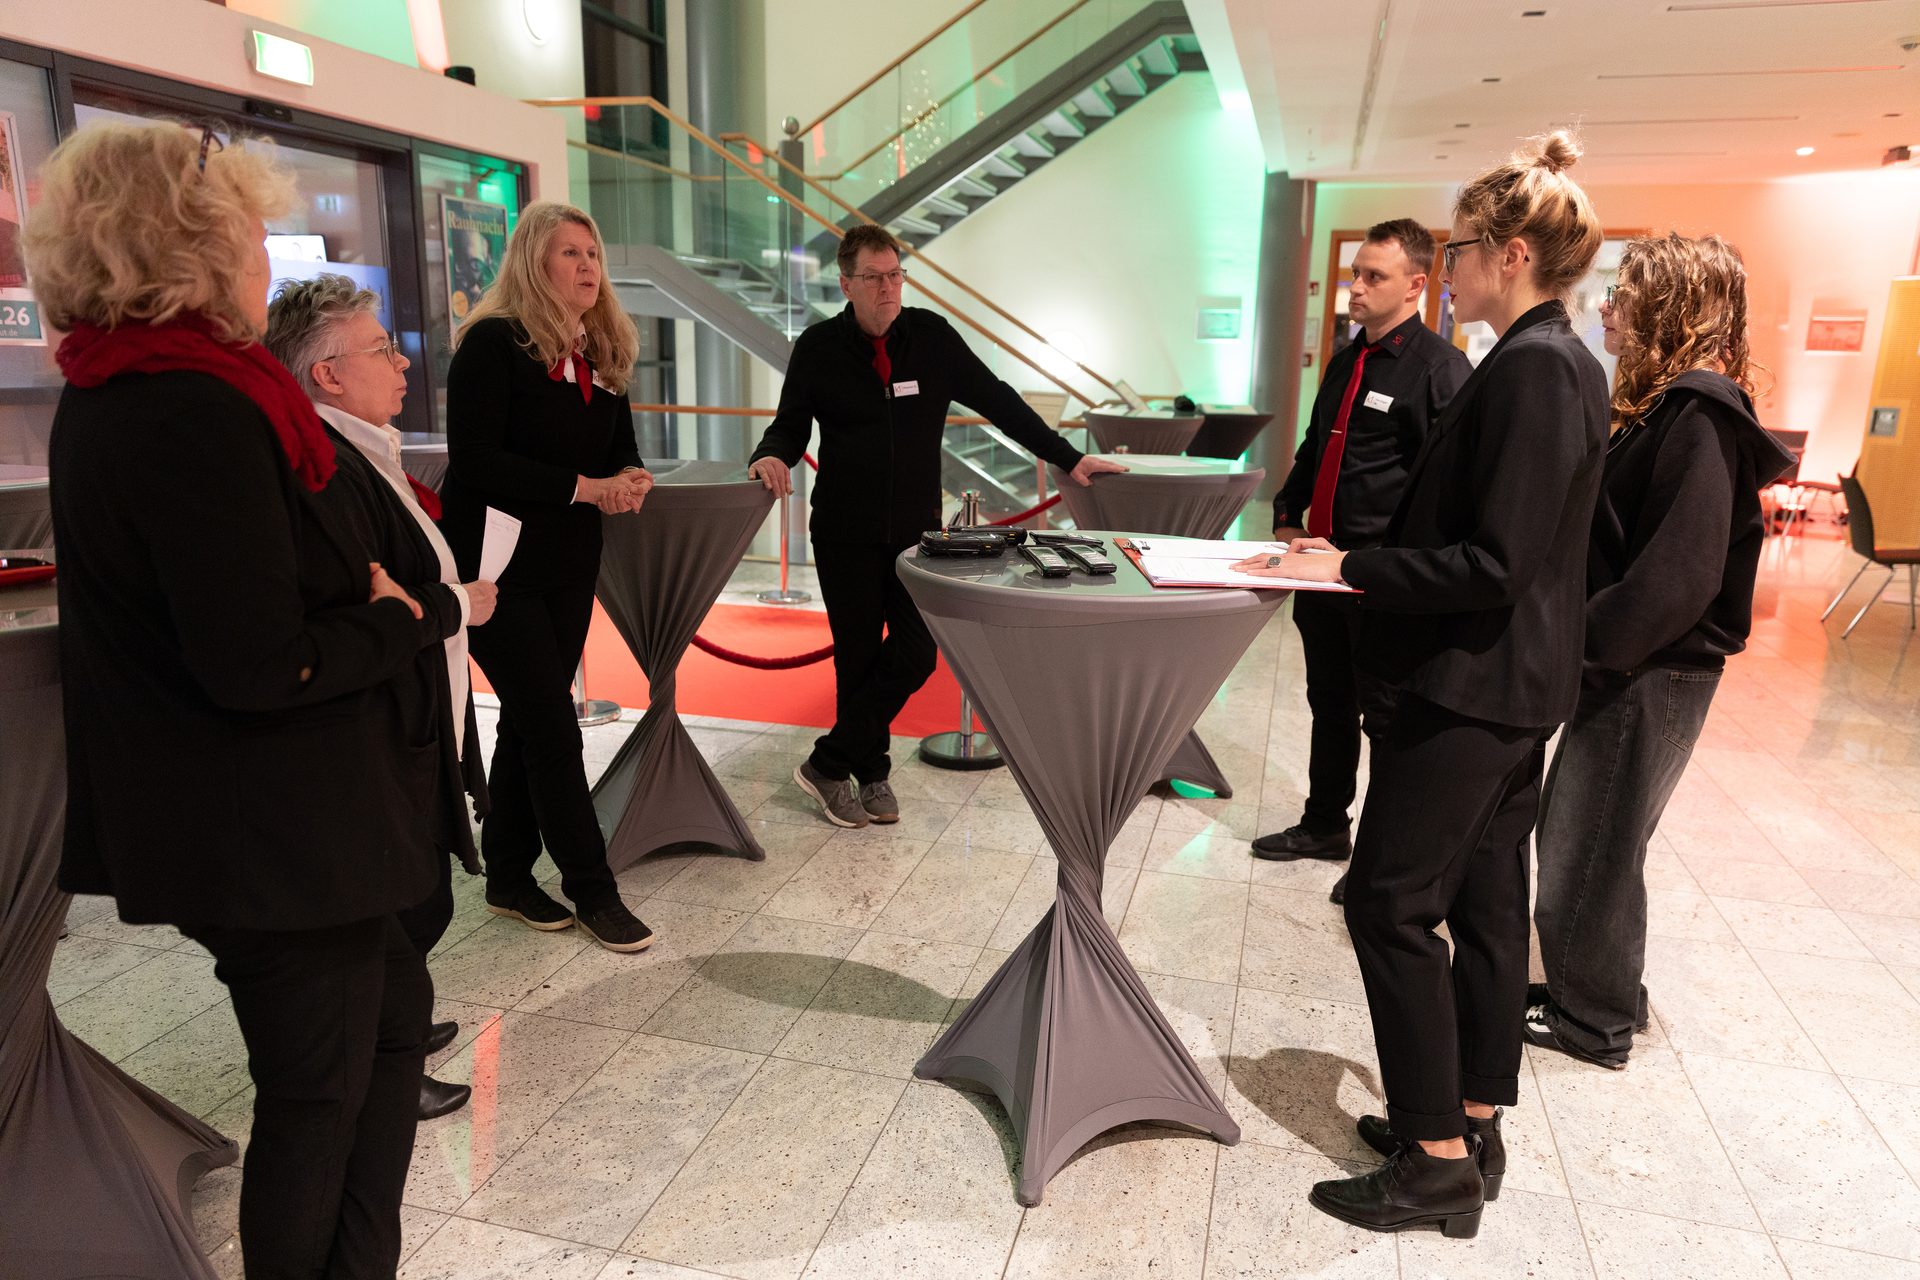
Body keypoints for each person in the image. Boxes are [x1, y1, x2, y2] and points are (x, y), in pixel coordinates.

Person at [29, 119, 442, 1277]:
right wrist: (391, 618)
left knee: (389, 1038)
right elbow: (263, 661)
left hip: (295, 826)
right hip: (276, 836)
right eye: (250, 229)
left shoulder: (151, 387)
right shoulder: (185, 406)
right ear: (189, 245)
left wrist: (360, 607)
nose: (268, 252)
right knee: (320, 1094)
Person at [1238, 131, 1610, 1238]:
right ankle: (1471, 1118)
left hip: (1476, 685)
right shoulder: (1547, 359)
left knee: (1391, 902)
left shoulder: (1539, 367)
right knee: (1489, 907)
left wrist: (1349, 564)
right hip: (1506, 682)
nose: (1451, 271)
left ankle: (1435, 1157)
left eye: (1458, 252)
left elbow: (1495, 560)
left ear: (1509, 252)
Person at [746, 223, 1125, 827]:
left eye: (896, 274)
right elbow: (790, 426)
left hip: (914, 537)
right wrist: (769, 454)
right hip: (844, 531)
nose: (888, 288)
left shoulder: (932, 339)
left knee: (919, 652)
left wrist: (1067, 455)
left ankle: (827, 762)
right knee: (857, 660)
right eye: (874, 278)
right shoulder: (819, 347)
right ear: (847, 283)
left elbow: (999, 401)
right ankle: (869, 777)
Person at [1526, 235, 1796, 1069]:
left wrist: (1587, 646)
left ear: (1672, 306)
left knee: (1591, 838)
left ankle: (1594, 1018)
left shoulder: (1699, 413)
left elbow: (1677, 577)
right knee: (1588, 832)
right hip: (1637, 664)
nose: (1606, 308)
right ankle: (1595, 984)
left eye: (1625, 294)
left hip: (1650, 668)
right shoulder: (1668, 405)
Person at [265, 272, 507, 1121]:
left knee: (421, 896)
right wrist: (454, 604)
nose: (402, 364)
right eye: (379, 350)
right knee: (409, 907)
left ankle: (391, 1031)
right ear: (326, 375)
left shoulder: (367, 449)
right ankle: (381, 1057)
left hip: (419, 711)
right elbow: (384, 606)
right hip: (382, 723)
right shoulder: (329, 467)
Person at [441, 200, 656, 952]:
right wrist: (585, 488)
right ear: (535, 262)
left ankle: (505, 874)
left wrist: (629, 478)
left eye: (592, 253)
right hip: (496, 571)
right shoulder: (492, 344)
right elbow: (474, 460)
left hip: (568, 563)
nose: (588, 266)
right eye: (570, 253)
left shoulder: (602, 349)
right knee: (555, 729)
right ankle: (592, 888)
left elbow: (619, 449)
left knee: (530, 724)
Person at [1253, 219, 1471, 903]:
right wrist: (1287, 512)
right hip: (1320, 566)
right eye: (1355, 273)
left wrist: (1400, 567)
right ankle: (1324, 825)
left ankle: (1380, 862)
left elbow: (1446, 482)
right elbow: (1318, 444)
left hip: (1379, 578)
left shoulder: (1440, 369)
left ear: (1415, 284)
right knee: (1329, 703)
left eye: (1373, 276)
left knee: (1386, 720)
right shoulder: (1349, 359)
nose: (1356, 287)